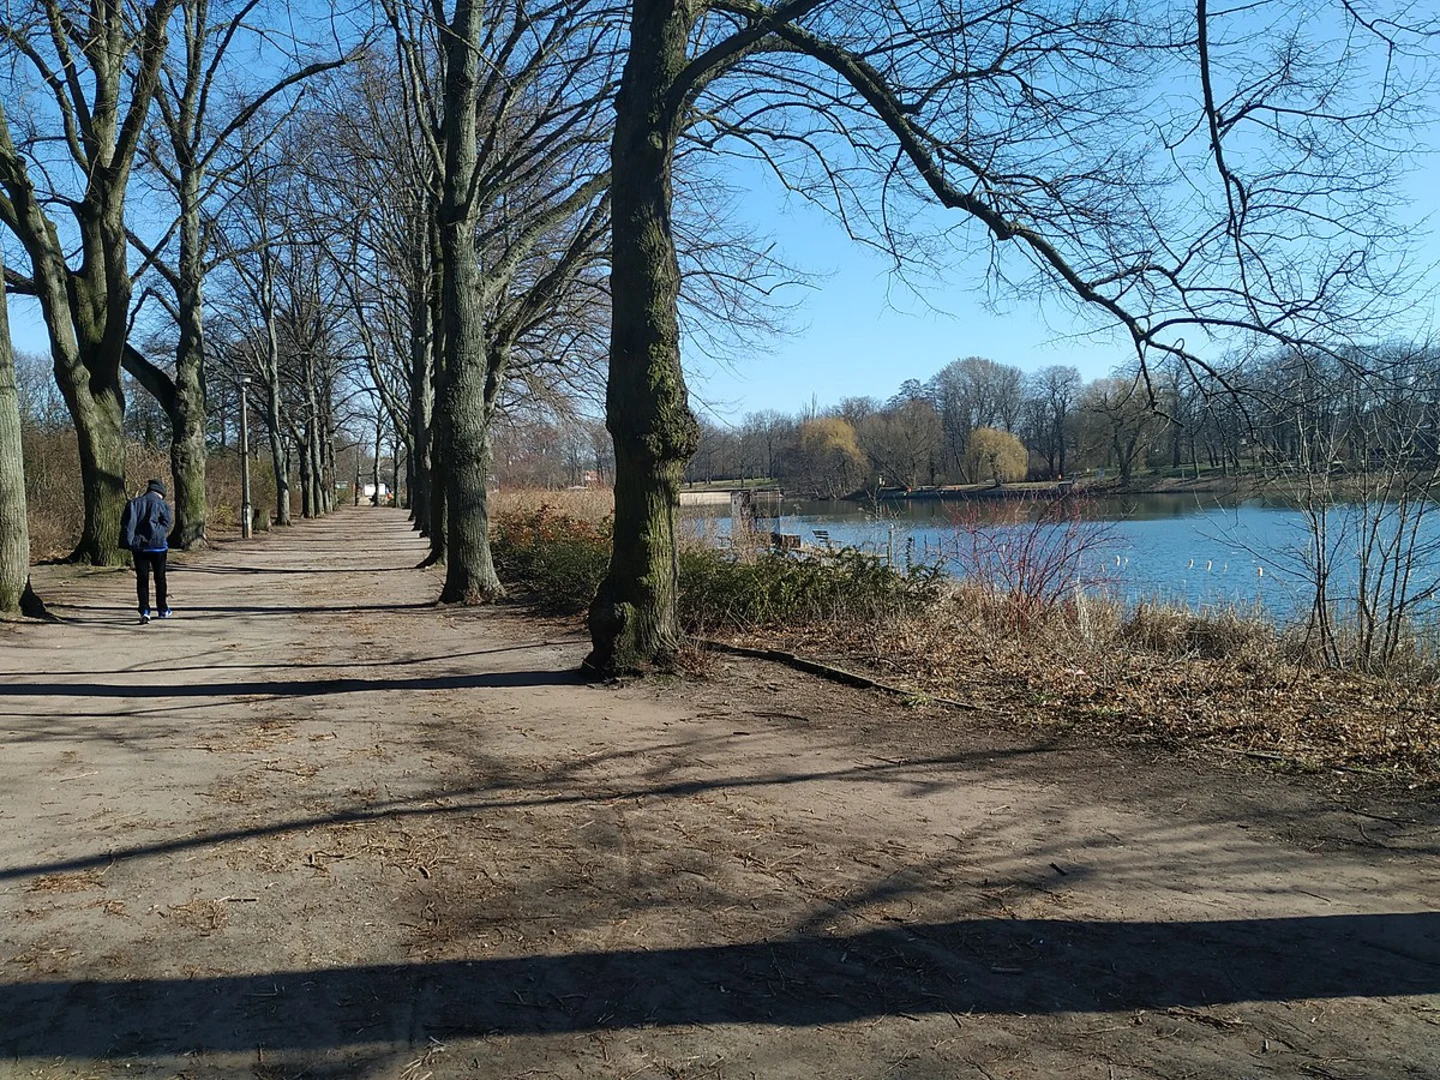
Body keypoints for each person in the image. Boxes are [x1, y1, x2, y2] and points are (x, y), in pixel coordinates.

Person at [119, 478, 173, 624]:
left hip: (139, 546)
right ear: (160, 492)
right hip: (158, 546)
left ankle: (144, 610)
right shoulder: (162, 504)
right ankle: (162, 609)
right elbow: (167, 523)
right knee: (160, 578)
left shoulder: (134, 503)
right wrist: (158, 532)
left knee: (142, 579)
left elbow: (126, 523)